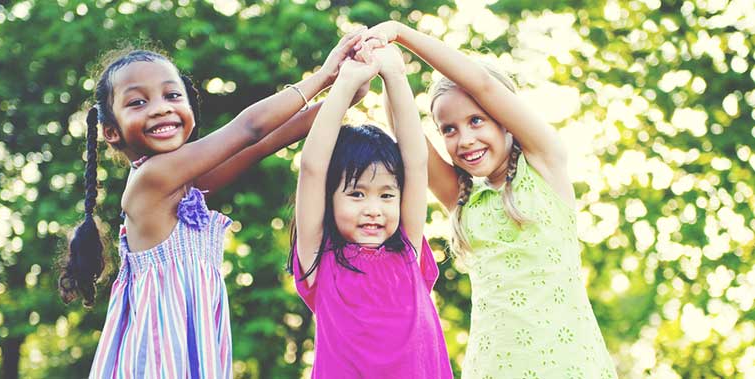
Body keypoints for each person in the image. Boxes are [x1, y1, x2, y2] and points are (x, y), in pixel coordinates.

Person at [58, 29, 367, 378]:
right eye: (137, 102)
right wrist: (326, 76)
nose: (161, 109)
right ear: (111, 131)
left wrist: (346, 92)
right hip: (159, 359)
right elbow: (250, 128)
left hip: (191, 350)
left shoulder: (181, 183)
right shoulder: (150, 181)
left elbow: (263, 143)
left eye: (172, 95)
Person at [361, 21, 618, 379]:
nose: (464, 139)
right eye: (448, 129)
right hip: (492, 368)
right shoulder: (464, 200)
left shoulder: (546, 167)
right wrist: (391, 72)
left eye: (476, 121)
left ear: (505, 121)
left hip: (570, 366)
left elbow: (481, 84)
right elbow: (410, 143)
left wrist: (400, 32)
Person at [288, 43, 452, 378]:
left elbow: (416, 162)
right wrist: (346, 83)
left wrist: (394, 73)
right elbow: (313, 167)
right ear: (329, 199)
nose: (374, 209)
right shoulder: (320, 259)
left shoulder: (408, 250)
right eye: (357, 194)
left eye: (387, 195)